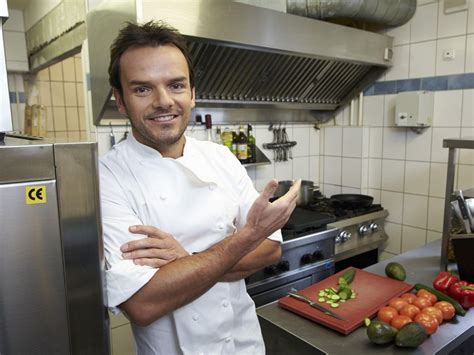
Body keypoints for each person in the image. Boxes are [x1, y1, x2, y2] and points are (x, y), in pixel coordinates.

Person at [100, 20, 300, 355]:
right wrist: (246, 237)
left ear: (192, 93)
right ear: (120, 100)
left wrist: (185, 260)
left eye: (176, 85)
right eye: (142, 89)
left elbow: (272, 249)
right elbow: (144, 302)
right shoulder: (108, 177)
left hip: (244, 345)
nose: (164, 102)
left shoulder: (219, 156)